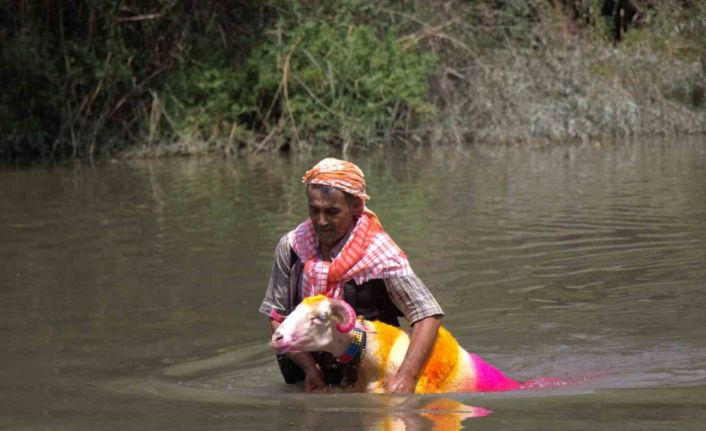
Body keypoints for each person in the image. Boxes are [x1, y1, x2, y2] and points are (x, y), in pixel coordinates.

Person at [259, 158, 443, 394]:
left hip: (373, 378)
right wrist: (309, 368)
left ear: (356, 205)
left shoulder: (380, 253)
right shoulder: (292, 247)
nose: (321, 221)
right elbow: (278, 315)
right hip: (309, 374)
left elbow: (428, 315)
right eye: (314, 210)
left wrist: (406, 377)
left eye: (332, 212)